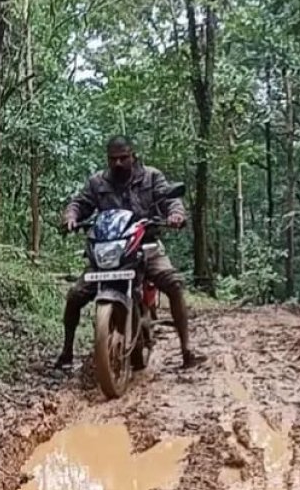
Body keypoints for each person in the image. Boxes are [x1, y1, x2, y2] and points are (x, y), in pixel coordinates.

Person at [57, 136, 206, 370]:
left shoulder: (152, 177)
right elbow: (79, 203)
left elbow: (170, 199)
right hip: (110, 249)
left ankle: (186, 349)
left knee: (173, 284)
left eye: (123, 158)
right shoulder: (97, 182)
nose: (118, 163)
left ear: (133, 156)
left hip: (146, 245)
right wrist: (70, 217)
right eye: (113, 159)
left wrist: (175, 214)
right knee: (76, 295)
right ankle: (66, 352)